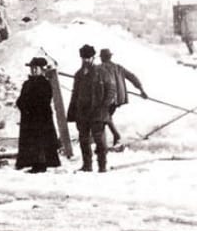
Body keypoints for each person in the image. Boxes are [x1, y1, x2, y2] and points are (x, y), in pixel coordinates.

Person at [66, 44, 112, 172]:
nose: (85, 60)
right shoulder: (78, 74)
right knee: (83, 140)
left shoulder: (102, 72)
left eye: (88, 58)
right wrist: (72, 112)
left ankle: (102, 166)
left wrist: (104, 107)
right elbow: (75, 94)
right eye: (83, 58)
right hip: (82, 113)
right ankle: (87, 165)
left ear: (93, 58)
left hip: (97, 112)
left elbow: (111, 91)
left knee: (99, 140)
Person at [15, 57, 61, 173]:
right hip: (28, 117)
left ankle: (41, 165)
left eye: (36, 68)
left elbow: (44, 100)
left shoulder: (45, 84)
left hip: (41, 118)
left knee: (40, 141)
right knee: (30, 141)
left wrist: (31, 107)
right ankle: (30, 162)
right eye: (32, 68)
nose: (34, 70)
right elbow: (20, 100)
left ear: (42, 69)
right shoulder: (27, 84)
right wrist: (23, 106)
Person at [98, 48, 147, 145]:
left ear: (102, 58)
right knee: (105, 117)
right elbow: (132, 77)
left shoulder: (100, 68)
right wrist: (141, 89)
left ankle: (115, 136)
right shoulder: (118, 68)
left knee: (104, 116)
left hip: (108, 98)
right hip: (119, 98)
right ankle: (101, 141)